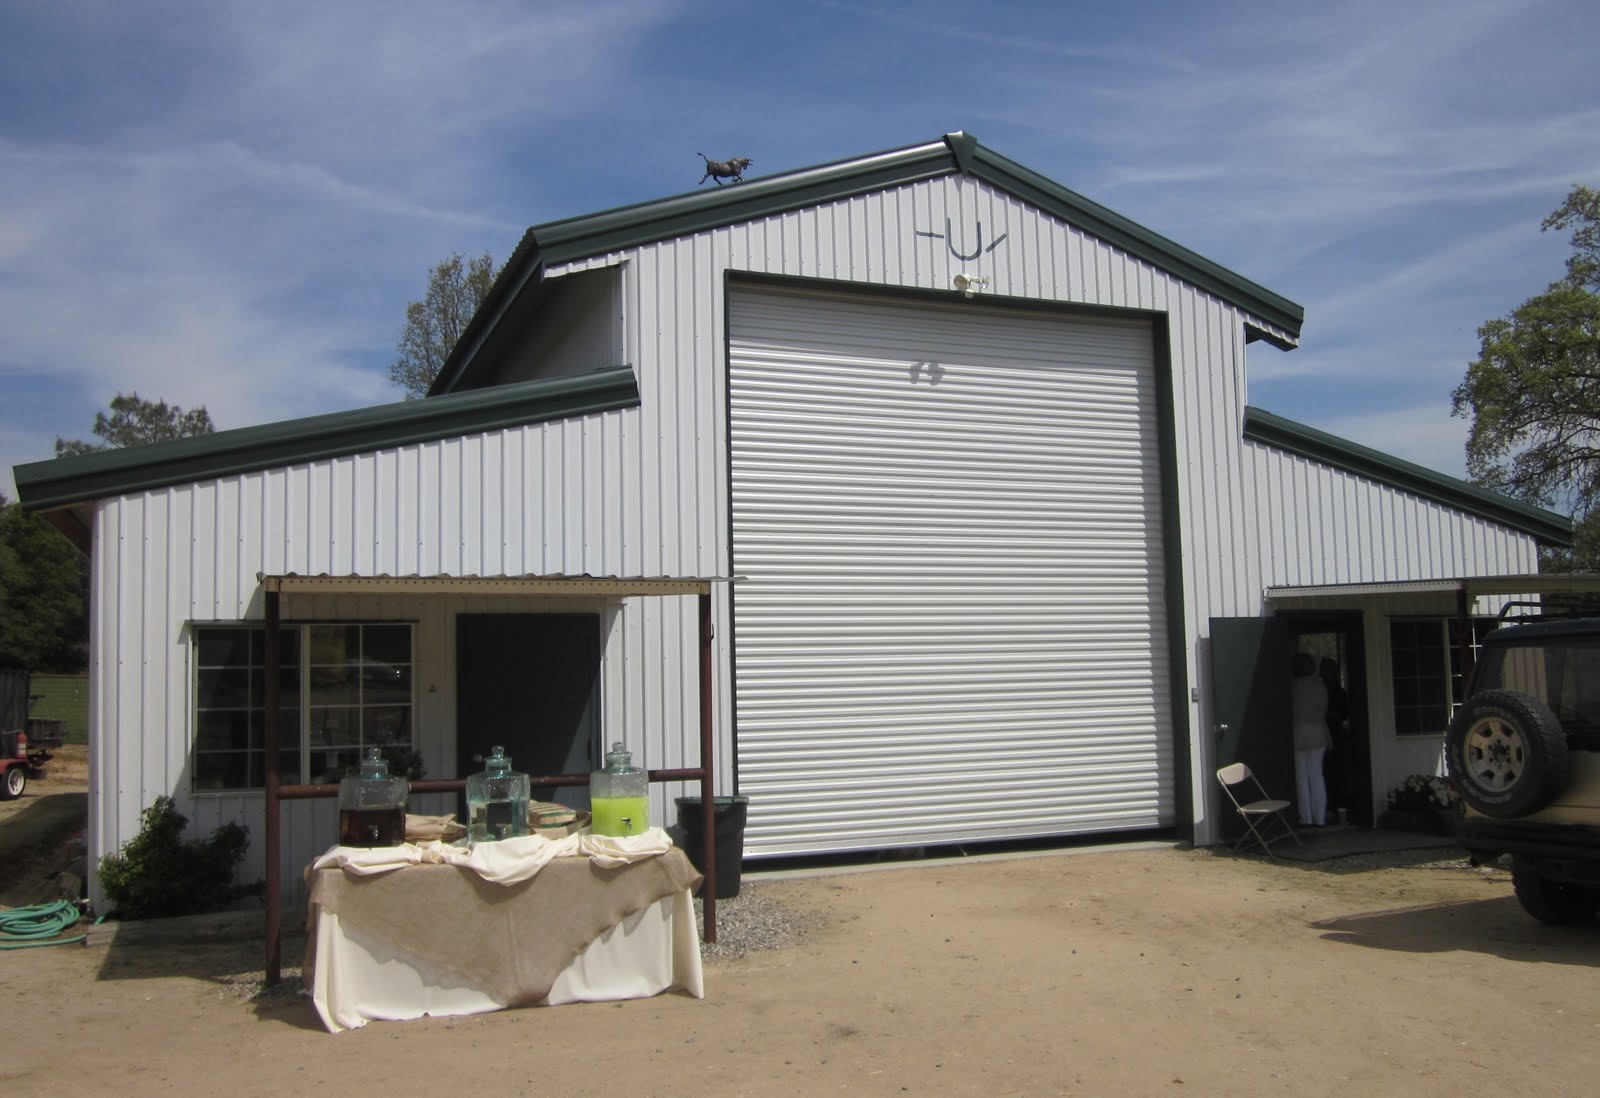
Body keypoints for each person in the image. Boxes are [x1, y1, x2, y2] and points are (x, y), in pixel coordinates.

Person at [1291, 652, 1330, 827]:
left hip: (1298, 731)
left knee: (1301, 776)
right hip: (1317, 730)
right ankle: (1319, 817)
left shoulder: (1293, 686)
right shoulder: (1319, 686)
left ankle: (1305, 818)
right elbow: (1324, 708)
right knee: (1316, 775)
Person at [1320, 657, 1350, 818]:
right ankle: (1327, 805)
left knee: (1337, 771)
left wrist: (1331, 716)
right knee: (1322, 771)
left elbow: (1344, 715)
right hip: (1322, 736)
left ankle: (1339, 804)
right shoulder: (1319, 690)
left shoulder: (1339, 693)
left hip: (1336, 736)